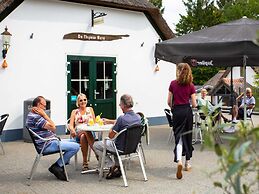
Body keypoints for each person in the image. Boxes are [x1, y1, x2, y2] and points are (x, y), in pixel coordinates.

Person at [26, 96, 80, 181]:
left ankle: (63, 163)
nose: (45, 108)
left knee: (74, 141)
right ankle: (57, 166)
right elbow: (53, 127)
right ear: (38, 105)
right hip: (47, 145)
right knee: (76, 146)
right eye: (44, 106)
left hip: (50, 141)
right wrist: (44, 115)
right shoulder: (36, 117)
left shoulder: (32, 114)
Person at [93, 94, 141, 179]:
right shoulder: (138, 117)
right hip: (133, 147)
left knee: (96, 145)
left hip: (120, 147)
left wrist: (112, 127)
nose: (119, 105)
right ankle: (118, 167)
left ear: (124, 105)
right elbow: (123, 122)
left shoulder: (121, 119)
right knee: (116, 142)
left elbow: (110, 136)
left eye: (120, 104)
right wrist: (110, 121)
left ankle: (111, 165)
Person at [167, 63, 197, 179]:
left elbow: (169, 101)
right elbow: (194, 104)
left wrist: (173, 108)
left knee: (178, 137)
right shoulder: (191, 85)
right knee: (187, 137)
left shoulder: (173, 84)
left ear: (178, 71)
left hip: (177, 112)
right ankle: (187, 163)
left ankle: (178, 160)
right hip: (187, 112)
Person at [68, 93, 97, 172]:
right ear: (78, 102)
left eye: (84, 100)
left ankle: (85, 163)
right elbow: (70, 125)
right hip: (78, 133)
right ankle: (97, 153)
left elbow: (94, 123)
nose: (83, 102)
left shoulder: (90, 109)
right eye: (81, 100)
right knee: (83, 133)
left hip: (90, 133)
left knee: (84, 136)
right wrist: (72, 130)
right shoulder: (74, 111)